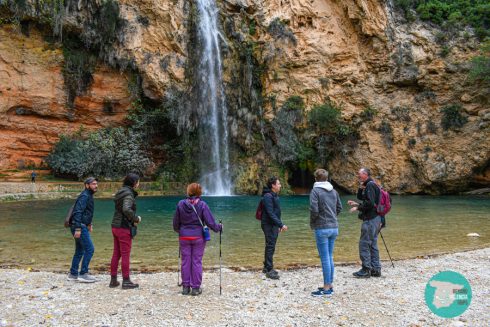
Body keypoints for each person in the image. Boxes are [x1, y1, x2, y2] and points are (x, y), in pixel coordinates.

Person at [173, 183, 222, 296]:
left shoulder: (180, 204)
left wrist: (180, 231)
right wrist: (219, 227)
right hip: (198, 237)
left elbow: (175, 223)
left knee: (185, 261)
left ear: (188, 191)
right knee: (196, 262)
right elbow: (210, 222)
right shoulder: (202, 205)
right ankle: (195, 288)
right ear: (199, 192)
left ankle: (185, 287)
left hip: (184, 236)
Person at [309, 169, 342, 297]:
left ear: (316, 179)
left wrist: (313, 223)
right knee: (329, 256)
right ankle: (330, 284)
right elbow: (339, 208)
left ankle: (327, 288)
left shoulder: (315, 191)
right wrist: (333, 217)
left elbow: (314, 209)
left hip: (322, 227)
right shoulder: (334, 191)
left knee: (325, 258)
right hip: (334, 227)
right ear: (327, 178)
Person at [347, 168, 382, 278]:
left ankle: (366, 270)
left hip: (371, 219)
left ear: (365, 174)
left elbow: (370, 203)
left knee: (364, 244)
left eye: (360, 174)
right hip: (376, 218)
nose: (358, 175)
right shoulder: (370, 184)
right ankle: (376, 270)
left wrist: (358, 207)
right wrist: (360, 188)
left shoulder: (370, 185)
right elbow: (362, 198)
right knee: (373, 244)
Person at [109, 173, 142, 289]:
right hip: (123, 227)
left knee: (116, 254)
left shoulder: (121, 192)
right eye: (138, 181)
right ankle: (126, 281)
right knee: (125, 255)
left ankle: (113, 280)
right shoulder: (128, 194)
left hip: (115, 226)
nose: (139, 184)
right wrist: (136, 218)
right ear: (134, 183)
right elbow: (126, 209)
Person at [67, 177, 98, 283]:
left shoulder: (88, 195)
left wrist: (89, 223)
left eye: (96, 184)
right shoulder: (84, 196)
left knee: (80, 250)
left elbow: (87, 212)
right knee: (90, 249)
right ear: (87, 185)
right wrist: (78, 228)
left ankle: (73, 274)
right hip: (79, 225)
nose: (96, 185)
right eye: (93, 184)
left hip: (80, 225)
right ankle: (83, 273)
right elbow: (78, 212)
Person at [260, 176, 288, 280]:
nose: (280, 185)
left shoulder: (274, 195)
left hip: (273, 224)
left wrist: (278, 224)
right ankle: (269, 269)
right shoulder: (268, 196)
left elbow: (276, 212)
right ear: (273, 186)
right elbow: (270, 213)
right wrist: (281, 225)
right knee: (270, 245)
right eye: (279, 183)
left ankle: (267, 267)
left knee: (271, 245)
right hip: (268, 224)